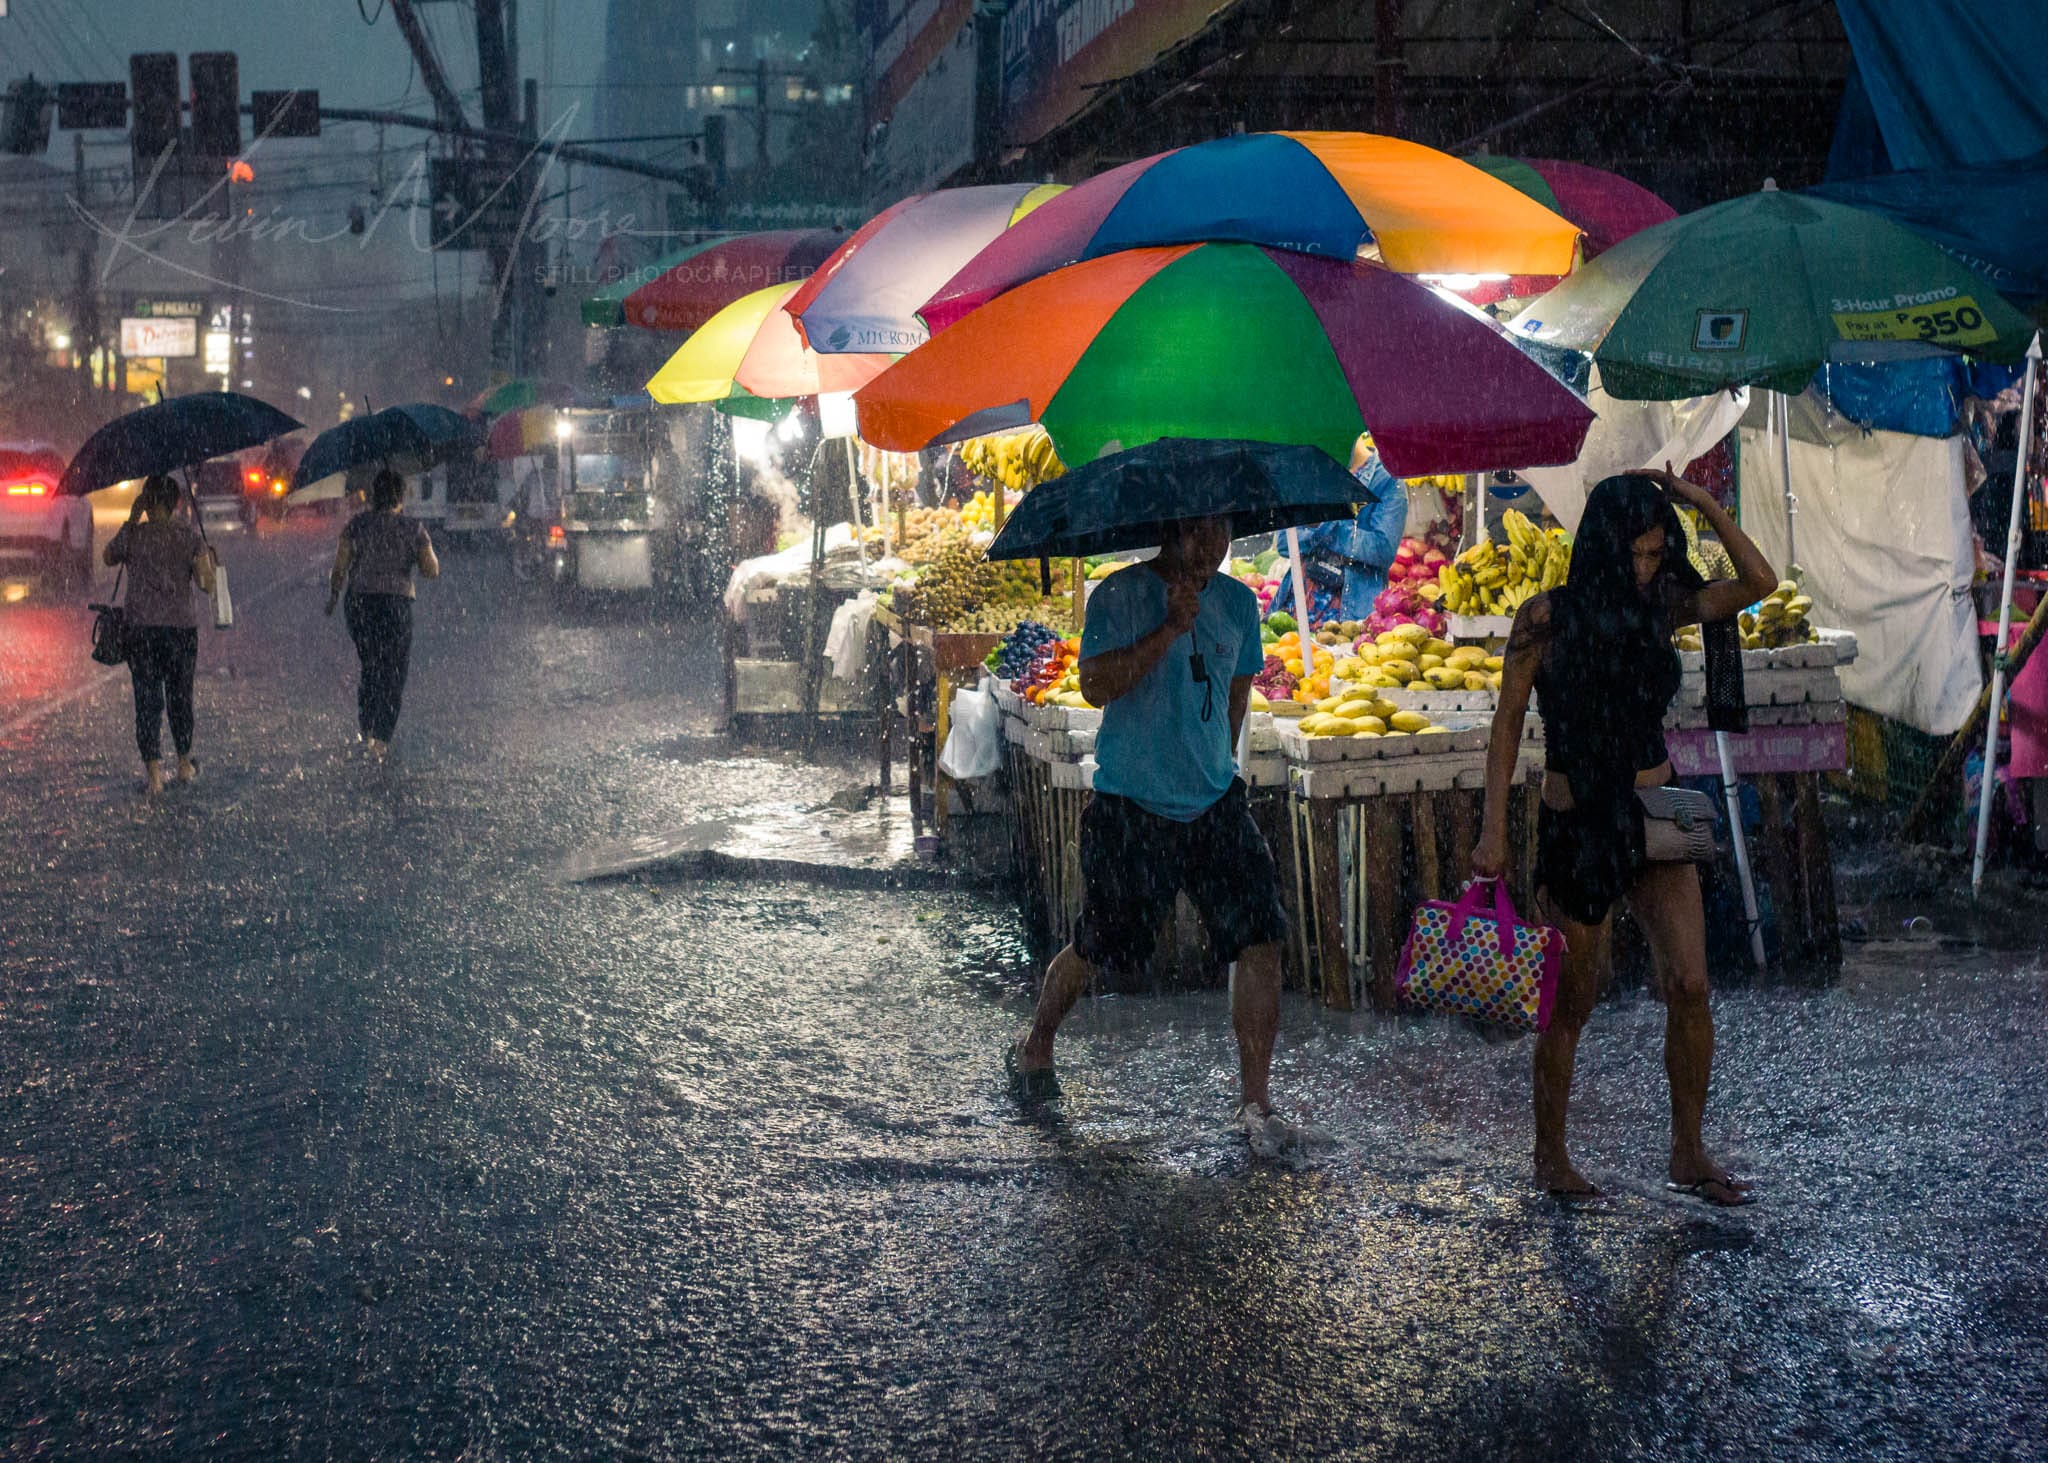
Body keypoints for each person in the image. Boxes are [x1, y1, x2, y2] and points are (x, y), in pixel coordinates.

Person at [1474, 467, 1778, 1206]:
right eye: (1635, 554)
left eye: (1655, 553)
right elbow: (1508, 722)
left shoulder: (1664, 606)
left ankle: (1687, 1150)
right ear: (1606, 548)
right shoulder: (1545, 619)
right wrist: (1492, 831)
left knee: (1692, 983)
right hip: (1580, 819)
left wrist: (1703, 504)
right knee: (1575, 999)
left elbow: (1758, 580)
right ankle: (1551, 1156)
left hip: (1658, 810)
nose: (1646, 567)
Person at [1009, 514, 1296, 1148]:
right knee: (1100, 944)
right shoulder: (1116, 595)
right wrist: (1169, 627)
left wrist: (1214, 767)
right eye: (1200, 532)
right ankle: (1037, 1043)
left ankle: (1256, 1102)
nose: (1214, 547)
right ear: (1171, 530)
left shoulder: (1239, 605)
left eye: (1222, 532)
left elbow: (1234, 697)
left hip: (1214, 803)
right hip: (1131, 807)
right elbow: (1094, 686)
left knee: (1262, 936)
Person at [103, 474, 216, 796]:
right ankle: (183, 763)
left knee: (147, 700)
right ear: (177, 502)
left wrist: (132, 517)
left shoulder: (134, 537)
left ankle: (153, 776)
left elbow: (108, 556)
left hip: (141, 631)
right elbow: (206, 585)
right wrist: (206, 557)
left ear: (147, 502)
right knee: (180, 697)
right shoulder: (188, 537)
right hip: (180, 630)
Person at [326, 467, 439, 759]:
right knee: (394, 671)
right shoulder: (413, 528)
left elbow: (340, 568)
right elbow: (430, 570)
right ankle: (381, 739)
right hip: (395, 605)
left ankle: (366, 727)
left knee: (371, 665)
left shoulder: (356, 526)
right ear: (401, 496)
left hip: (360, 604)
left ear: (372, 496)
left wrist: (333, 595)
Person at [1296, 436, 1410, 621]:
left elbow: (1382, 550)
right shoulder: (1315, 471)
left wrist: (1326, 524)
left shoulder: (1386, 480)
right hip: (1296, 613)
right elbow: (1287, 544)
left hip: (1351, 618)